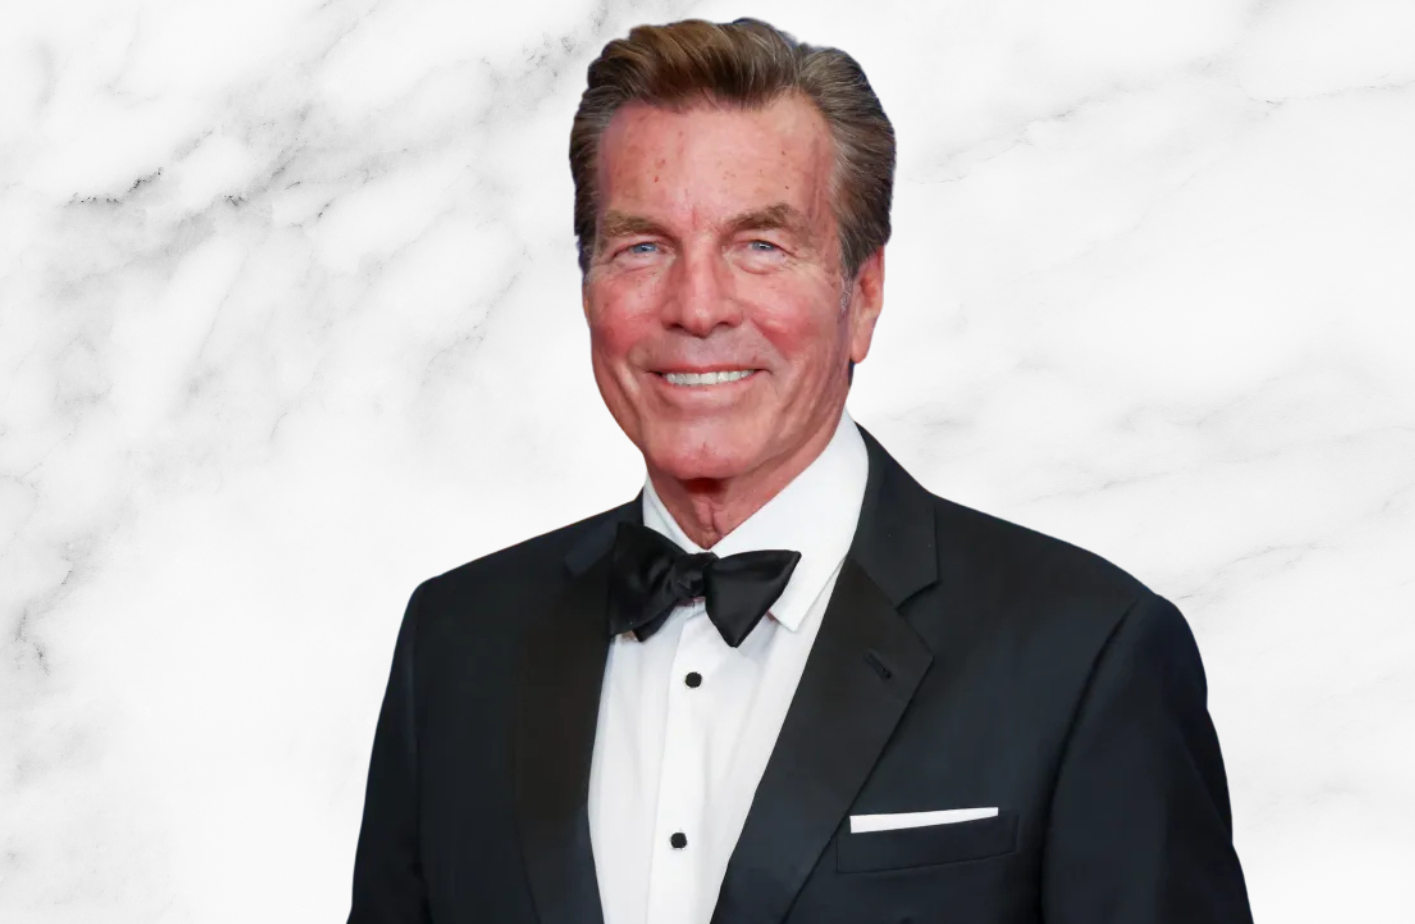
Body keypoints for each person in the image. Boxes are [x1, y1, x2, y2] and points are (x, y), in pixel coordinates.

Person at [348, 17, 1254, 924]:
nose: (697, 308)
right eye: (643, 247)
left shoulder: (1088, 655)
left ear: (864, 296)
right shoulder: (456, 644)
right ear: (588, 287)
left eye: (761, 246)